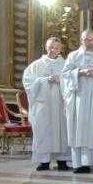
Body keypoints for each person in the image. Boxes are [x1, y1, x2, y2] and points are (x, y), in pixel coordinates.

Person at [61, 30, 93, 173]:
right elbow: (64, 75)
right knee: (79, 128)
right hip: (79, 98)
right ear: (81, 40)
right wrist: (79, 72)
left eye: (92, 40)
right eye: (85, 40)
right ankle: (81, 164)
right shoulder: (74, 56)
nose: (89, 42)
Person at [23, 37, 70, 171]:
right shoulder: (36, 65)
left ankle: (62, 160)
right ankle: (44, 161)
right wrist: (44, 81)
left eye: (56, 47)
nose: (53, 50)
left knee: (63, 132)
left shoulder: (66, 64)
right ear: (46, 47)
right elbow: (28, 82)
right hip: (43, 106)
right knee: (43, 132)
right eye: (50, 47)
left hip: (61, 105)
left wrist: (61, 80)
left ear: (61, 49)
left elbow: (72, 81)